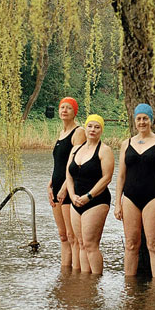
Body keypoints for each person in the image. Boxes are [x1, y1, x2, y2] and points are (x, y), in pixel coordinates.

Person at [114, 104, 155, 278]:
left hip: (154, 197)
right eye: (138, 118)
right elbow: (121, 176)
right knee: (131, 244)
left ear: (151, 120)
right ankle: (129, 287)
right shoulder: (126, 144)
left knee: (154, 244)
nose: (142, 122)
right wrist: (117, 203)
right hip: (130, 197)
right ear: (134, 121)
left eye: (145, 118)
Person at [64, 114, 115, 275]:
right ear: (85, 128)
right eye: (90, 126)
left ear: (101, 130)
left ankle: (95, 283)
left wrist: (88, 196)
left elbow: (107, 178)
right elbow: (69, 175)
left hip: (96, 200)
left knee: (90, 244)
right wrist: (71, 195)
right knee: (80, 243)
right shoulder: (75, 149)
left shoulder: (105, 150)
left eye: (97, 127)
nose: (93, 130)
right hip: (75, 200)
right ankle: (85, 283)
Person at [47, 96, 86, 269]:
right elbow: (59, 163)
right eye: (62, 107)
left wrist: (64, 188)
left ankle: (77, 276)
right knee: (62, 235)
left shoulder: (79, 132)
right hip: (56, 187)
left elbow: (75, 163)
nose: (64, 110)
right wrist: (50, 184)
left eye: (68, 108)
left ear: (74, 112)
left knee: (72, 236)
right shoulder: (61, 132)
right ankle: (64, 274)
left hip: (69, 188)